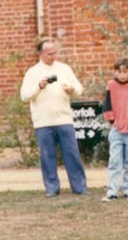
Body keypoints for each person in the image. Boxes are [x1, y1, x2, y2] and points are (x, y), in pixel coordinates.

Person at [20, 40, 89, 197]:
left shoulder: (64, 69)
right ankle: (52, 188)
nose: (53, 56)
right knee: (47, 156)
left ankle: (79, 187)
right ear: (40, 54)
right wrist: (39, 86)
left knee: (72, 154)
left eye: (54, 53)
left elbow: (79, 89)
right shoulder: (32, 72)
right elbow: (24, 96)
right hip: (43, 122)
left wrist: (72, 89)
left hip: (64, 119)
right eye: (49, 54)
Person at [101, 57, 128, 201]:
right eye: (119, 72)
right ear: (114, 72)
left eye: (125, 72)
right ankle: (112, 190)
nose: (122, 75)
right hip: (116, 129)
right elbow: (107, 104)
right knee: (115, 160)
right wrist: (111, 119)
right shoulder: (111, 85)